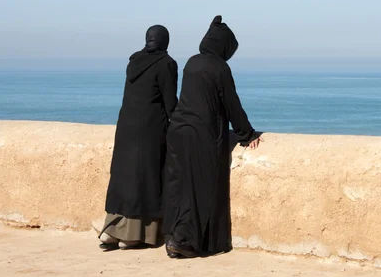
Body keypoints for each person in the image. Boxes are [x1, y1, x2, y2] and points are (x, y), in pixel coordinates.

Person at [162, 15, 262, 259]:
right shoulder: (219, 67)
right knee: (201, 188)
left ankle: (175, 237)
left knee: (180, 185)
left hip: (178, 131)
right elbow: (231, 104)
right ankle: (186, 241)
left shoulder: (192, 62)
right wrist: (247, 134)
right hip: (201, 135)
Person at [98, 25, 178, 251]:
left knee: (123, 178)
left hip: (126, 125)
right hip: (149, 129)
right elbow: (170, 103)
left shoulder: (134, 62)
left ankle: (112, 231)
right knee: (145, 179)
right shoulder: (166, 64)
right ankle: (133, 235)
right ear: (165, 42)